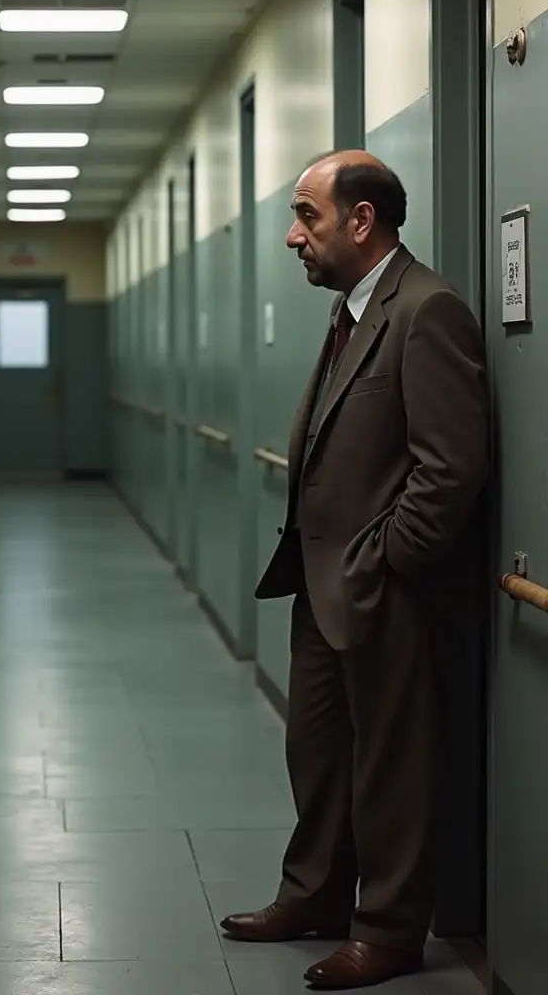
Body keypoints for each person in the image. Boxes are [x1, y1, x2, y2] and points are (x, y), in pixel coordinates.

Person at [220, 151, 488, 988]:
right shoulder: (352, 312)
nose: (295, 237)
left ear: (361, 220)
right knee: (321, 755)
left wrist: (384, 562)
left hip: (385, 591)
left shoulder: (427, 310)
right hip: (324, 582)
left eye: (309, 217)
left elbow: (449, 471)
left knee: (391, 770)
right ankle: (316, 897)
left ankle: (389, 929)